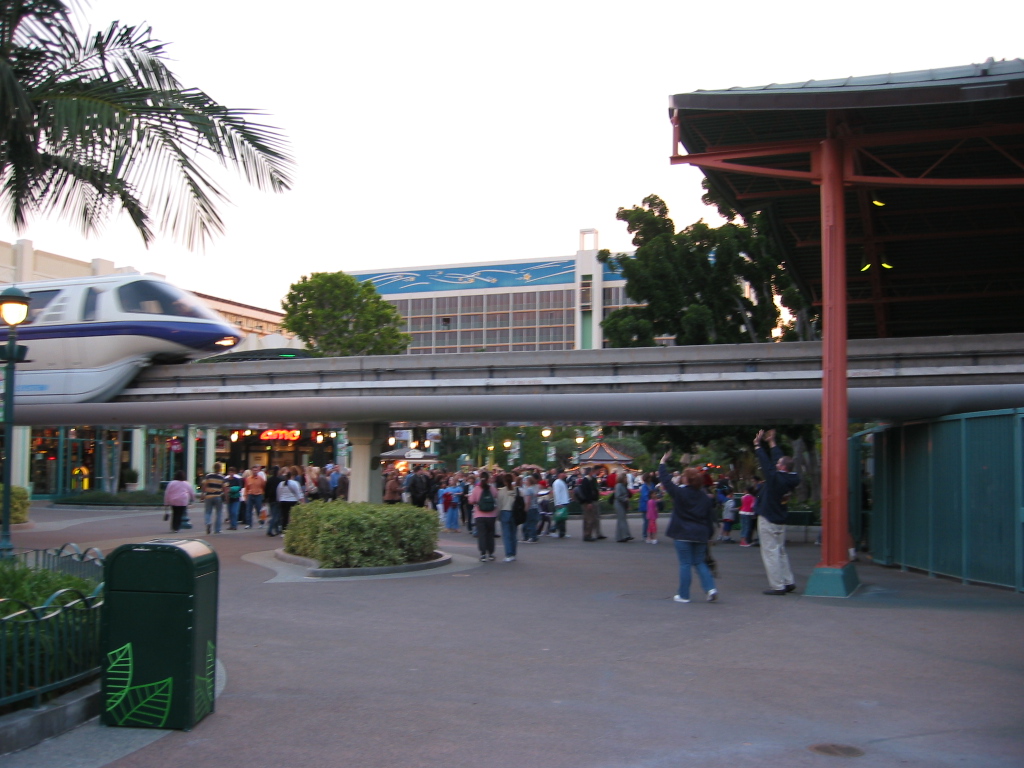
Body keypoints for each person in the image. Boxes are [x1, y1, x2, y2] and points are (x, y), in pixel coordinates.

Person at [659, 452, 717, 603]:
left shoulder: (679, 493)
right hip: (701, 533)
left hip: (682, 532)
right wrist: (709, 535)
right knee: (699, 562)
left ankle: (684, 595)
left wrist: (662, 463)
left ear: (686, 479)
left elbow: (666, 481)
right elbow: (709, 518)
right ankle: (710, 588)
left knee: (685, 563)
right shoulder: (705, 497)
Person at [753, 429, 801, 595]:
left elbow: (766, 464)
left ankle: (777, 585)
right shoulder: (791, 479)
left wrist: (758, 446)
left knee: (770, 553)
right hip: (780, 518)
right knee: (780, 552)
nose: (775, 464)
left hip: (768, 517)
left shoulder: (775, 479)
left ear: (781, 467)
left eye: (778, 463)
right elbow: (776, 461)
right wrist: (772, 443)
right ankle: (788, 581)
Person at [468, 471, 498, 561]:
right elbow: (496, 496)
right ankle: (491, 553)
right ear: (488, 479)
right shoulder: (492, 489)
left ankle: (483, 554)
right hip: (492, 514)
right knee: (490, 534)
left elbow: (471, 500)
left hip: (479, 515)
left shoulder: (476, 489)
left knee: (482, 534)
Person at [575, 467, 605, 541]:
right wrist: (589, 502)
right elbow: (587, 492)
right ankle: (587, 535)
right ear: (590, 472)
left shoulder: (589, 480)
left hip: (589, 501)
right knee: (589, 519)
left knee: (589, 518)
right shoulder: (586, 480)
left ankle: (588, 534)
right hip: (587, 502)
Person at [497, 473, 518, 561]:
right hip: (514, 512)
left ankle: (508, 554)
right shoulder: (517, 490)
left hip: (505, 511)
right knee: (513, 534)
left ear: (504, 481)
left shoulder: (501, 491)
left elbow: (499, 504)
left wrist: (498, 515)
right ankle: (513, 553)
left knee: (506, 534)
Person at [201, 463, 227, 535]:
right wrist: (226, 497)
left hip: (209, 496)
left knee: (208, 512)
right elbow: (224, 488)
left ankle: (208, 523)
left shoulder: (208, 476)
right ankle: (217, 530)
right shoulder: (222, 477)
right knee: (219, 513)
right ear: (220, 468)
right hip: (218, 496)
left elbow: (204, 485)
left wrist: (203, 494)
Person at [276, 468, 303, 534]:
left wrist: (279, 499)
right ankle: (293, 530)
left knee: (284, 516)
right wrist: (301, 500)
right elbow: (298, 492)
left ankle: (284, 531)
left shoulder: (281, 484)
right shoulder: (294, 483)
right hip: (292, 501)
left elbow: (278, 492)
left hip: (283, 501)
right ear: (292, 476)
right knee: (293, 516)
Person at [613, 473, 633, 542]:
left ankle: (619, 537)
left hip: (622, 503)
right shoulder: (618, 486)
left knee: (620, 521)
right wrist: (624, 499)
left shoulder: (623, 486)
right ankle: (626, 535)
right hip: (619, 504)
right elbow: (618, 496)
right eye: (625, 478)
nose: (626, 479)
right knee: (622, 520)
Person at [520, 474, 540, 543]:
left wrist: (526, 508)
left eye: (526, 480)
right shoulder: (533, 489)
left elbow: (528, 501)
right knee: (532, 523)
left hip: (530, 508)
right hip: (535, 507)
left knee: (529, 523)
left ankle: (530, 537)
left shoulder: (528, 490)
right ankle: (532, 536)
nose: (524, 482)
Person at [551, 470, 571, 538]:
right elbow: (556, 493)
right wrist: (558, 503)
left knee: (561, 518)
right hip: (561, 502)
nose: (564, 474)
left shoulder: (561, 482)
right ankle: (559, 531)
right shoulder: (557, 483)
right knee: (561, 519)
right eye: (563, 473)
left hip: (564, 501)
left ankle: (560, 531)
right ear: (559, 474)